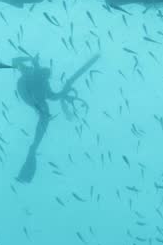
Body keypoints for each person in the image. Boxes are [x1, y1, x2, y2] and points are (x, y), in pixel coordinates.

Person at [11, 54, 99, 183]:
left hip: (31, 95)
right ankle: (29, 162)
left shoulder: (37, 77)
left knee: (39, 131)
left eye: (45, 78)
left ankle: (28, 164)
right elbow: (53, 97)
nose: (46, 79)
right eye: (44, 77)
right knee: (40, 127)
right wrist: (31, 60)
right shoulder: (34, 76)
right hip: (31, 96)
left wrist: (31, 60)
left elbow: (53, 96)